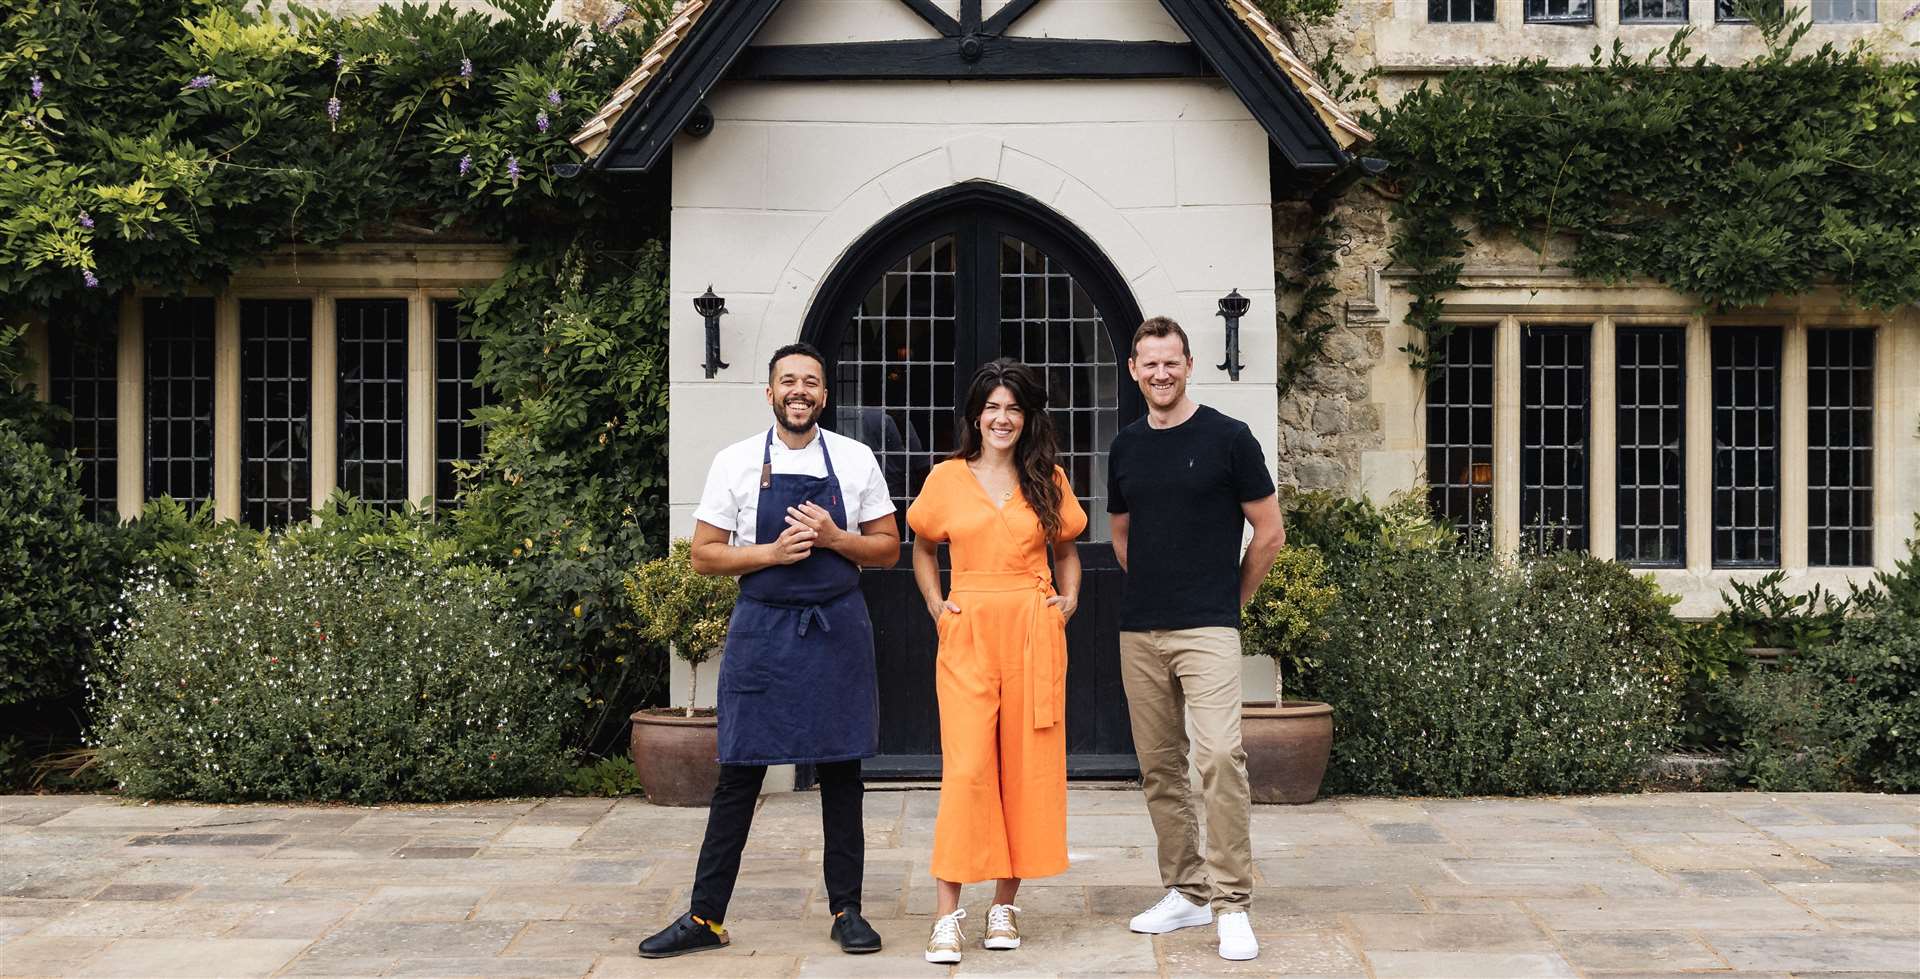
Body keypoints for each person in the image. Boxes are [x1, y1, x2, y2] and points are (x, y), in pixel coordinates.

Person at [638, 342, 900, 960]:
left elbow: (888, 547)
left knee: (842, 772)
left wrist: (836, 538)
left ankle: (848, 910)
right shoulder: (734, 463)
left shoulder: (856, 459)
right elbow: (704, 554)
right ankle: (705, 917)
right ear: (771, 394)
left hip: (837, 628)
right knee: (738, 772)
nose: (799, 391)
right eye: (788, 381)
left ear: (824, 395)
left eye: (811, 381)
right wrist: (770, 555)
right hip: (762, 631)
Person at [1107, 317, 1286, 962]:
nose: (1161, 374)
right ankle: (1185, 890)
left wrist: (1227, 601)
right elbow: (1121, 530)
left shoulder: (1229, 439)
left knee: (1218, 758)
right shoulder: (1125, 445)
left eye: (1171, 363)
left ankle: (1232, 902)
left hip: (1208, 627)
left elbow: (1269, 533)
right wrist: (1156, 584)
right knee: (1159, 767)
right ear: (1134, 369)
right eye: (1149, 364)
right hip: (1140, 628)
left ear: (1189, 365)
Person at [905, 358, 1085, 965]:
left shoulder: (1048, 479)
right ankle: (946, 915)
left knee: (1026, 768)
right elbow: (924, 547)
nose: (1002, 418)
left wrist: (1069, 602)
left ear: (1027, 416)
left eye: (1013, 407)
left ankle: (1005, 903)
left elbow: (1068, 552)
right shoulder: (946, 479)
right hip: (970, 627)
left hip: (1033, 628)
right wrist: (936, 605)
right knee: (966, 769)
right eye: (992, 407)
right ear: (975, 417)